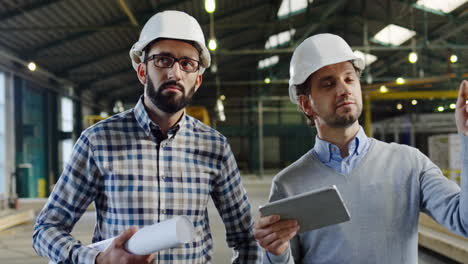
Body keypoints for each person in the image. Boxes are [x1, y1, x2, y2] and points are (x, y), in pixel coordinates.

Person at [33, 10, 261, 264]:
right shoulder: (98, 142)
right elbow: (46, 229)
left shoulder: (214, 147)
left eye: (187, 63)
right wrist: (97, 259)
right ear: (142, 72)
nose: (175, 73)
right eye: (163, 60)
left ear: (197, 80)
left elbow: (246, 238)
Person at [254, 33, 468, 263]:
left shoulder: (410, 164)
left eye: (349, 79)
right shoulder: (289, 185)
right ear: (306, 104)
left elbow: (463, 222)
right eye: (328, 84)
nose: (343, 89)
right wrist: (276, 253)